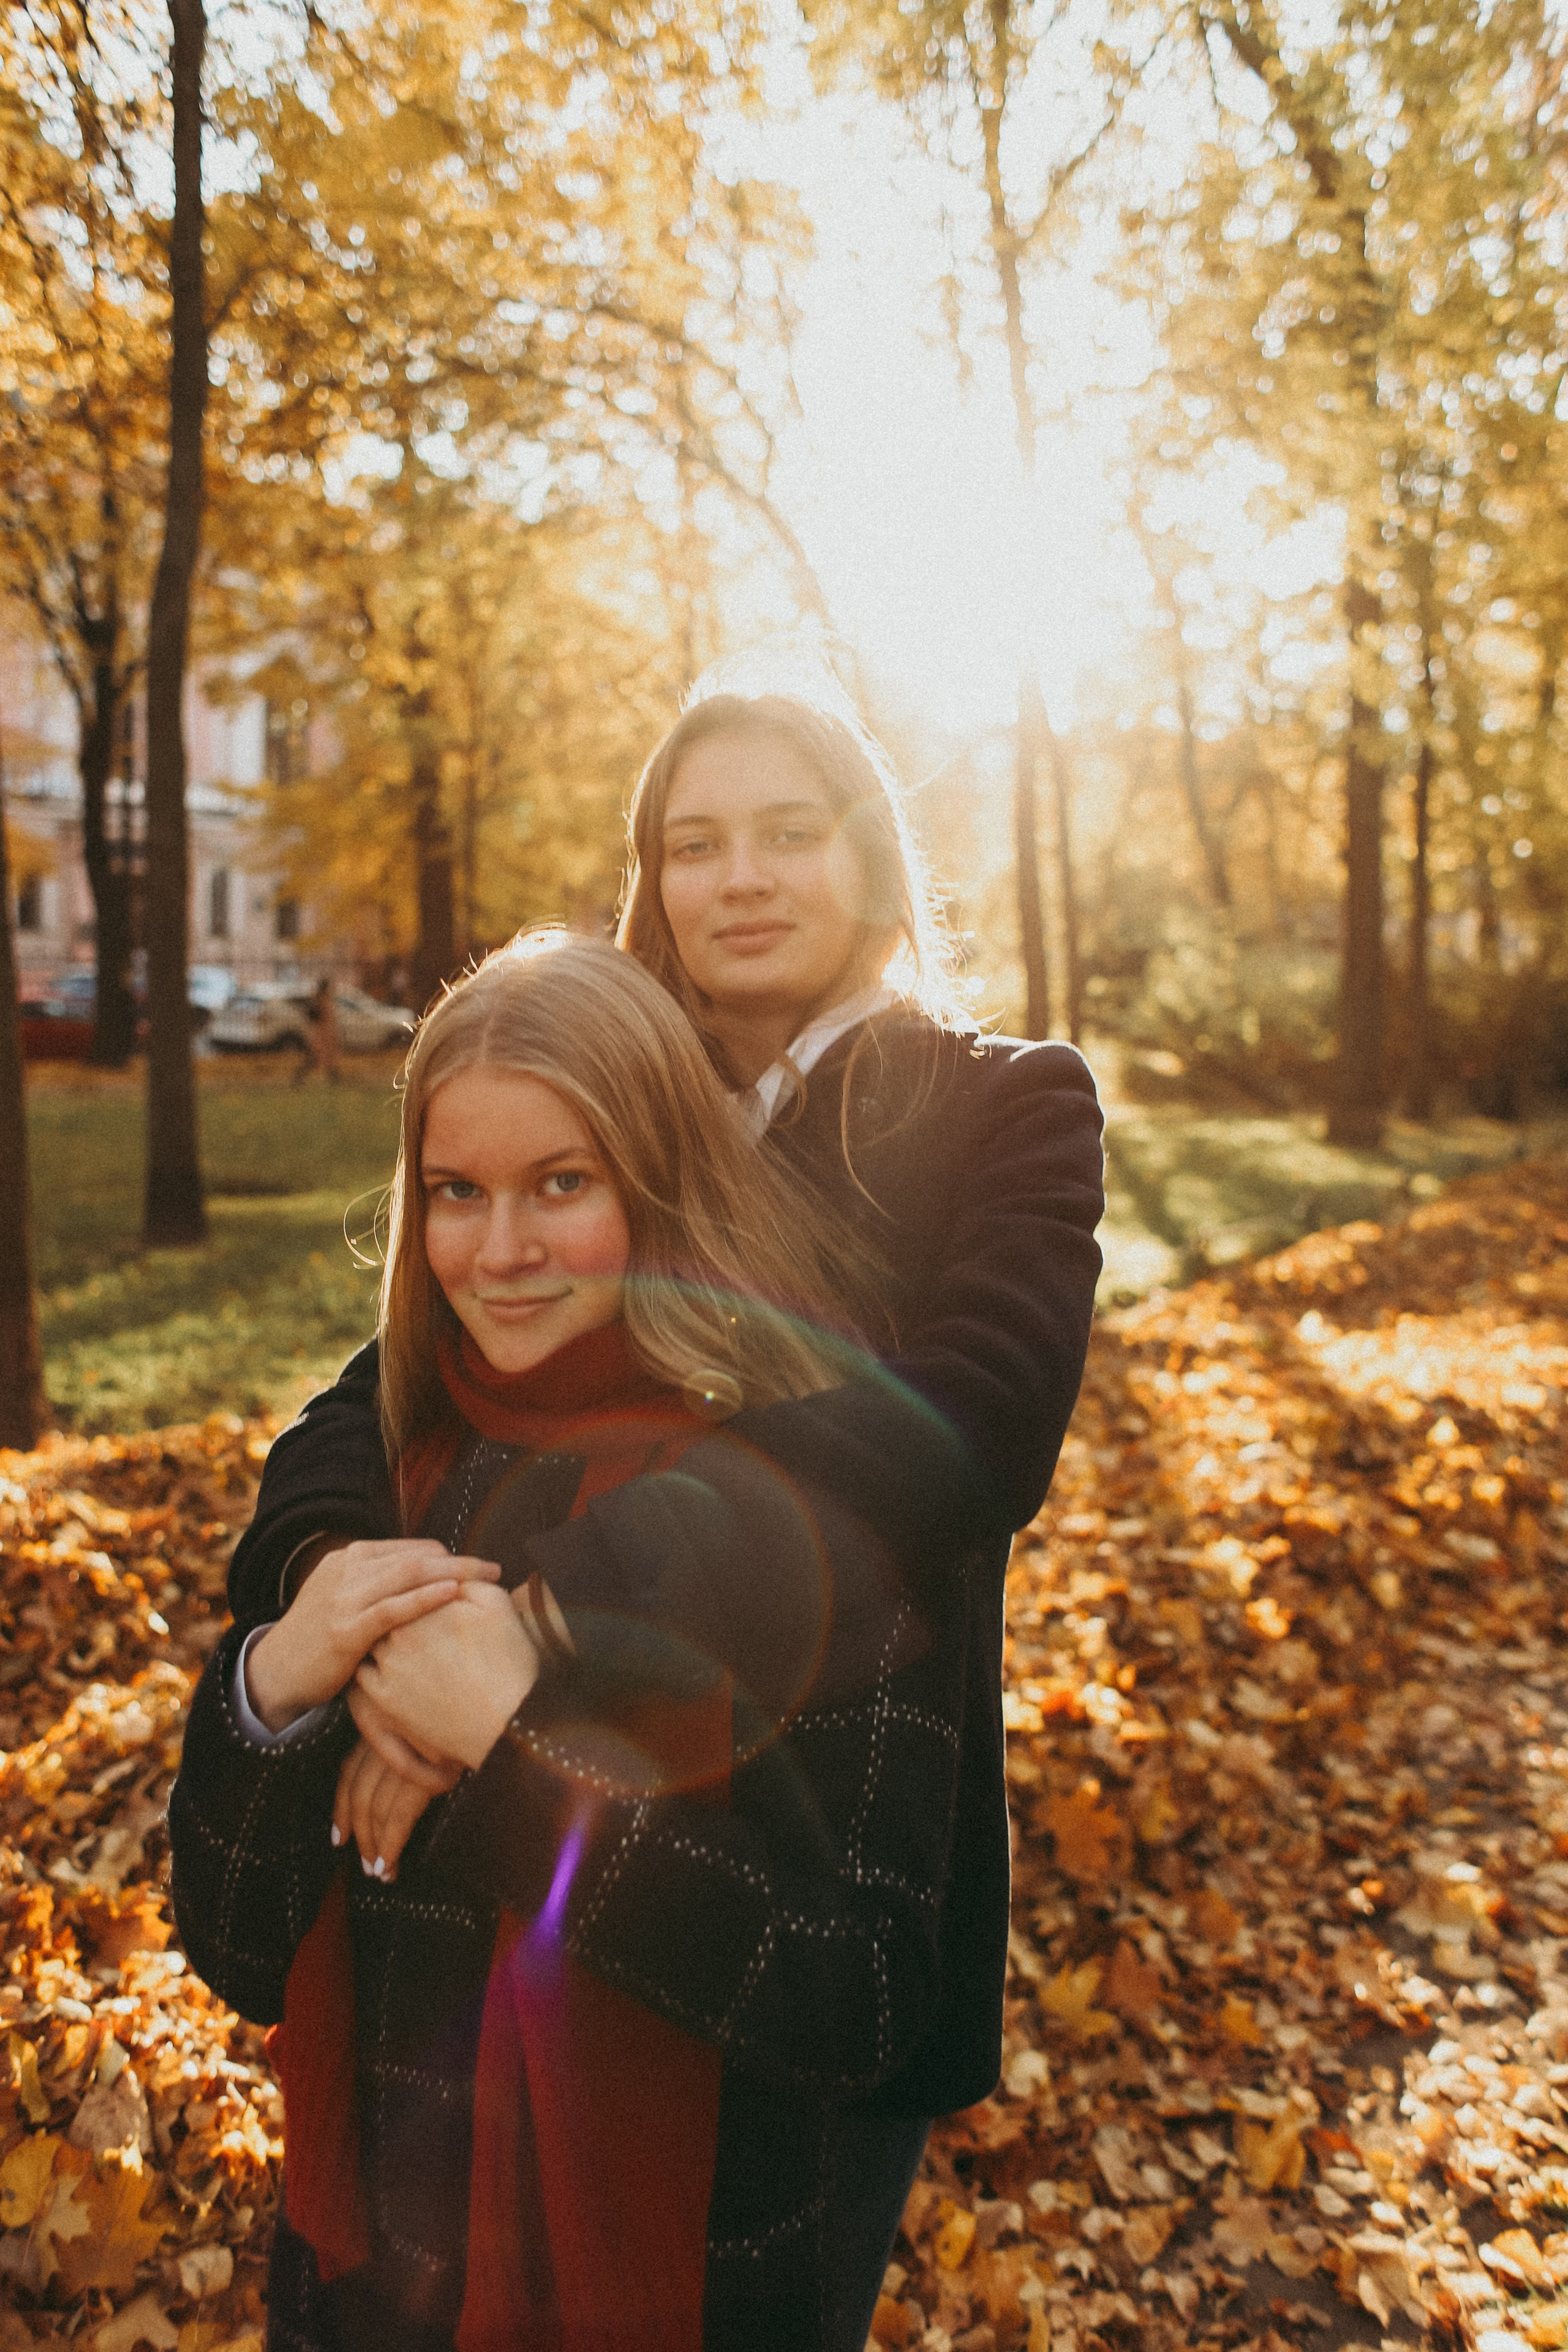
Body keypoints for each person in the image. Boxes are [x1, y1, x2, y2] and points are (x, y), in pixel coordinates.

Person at [223, 691, 1106, 2348]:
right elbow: (384, 1376)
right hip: (559, 1827)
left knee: (757, 2283)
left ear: (871, 848)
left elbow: (975, 1429)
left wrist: (537, 1618)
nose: (742, 879)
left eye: (789, 830)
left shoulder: (1001, 1104)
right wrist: (336, 1579)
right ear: (650, 877)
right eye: (694, 843)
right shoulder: (625, 1083)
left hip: (830, 1819)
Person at [171, 932, 965, 2352]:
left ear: (657, 1180)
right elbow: (232, 1947)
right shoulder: (385, 1486)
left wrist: (502, 1765)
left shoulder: (807, 1512)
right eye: (456, 1193)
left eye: (562, 1184)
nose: (501, 1250)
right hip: (362, 2288)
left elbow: (864, 2002)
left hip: (691, 2292)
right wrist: (274, 1688)